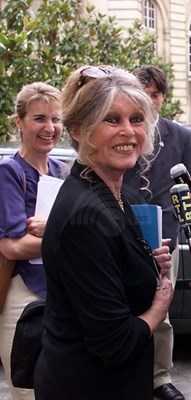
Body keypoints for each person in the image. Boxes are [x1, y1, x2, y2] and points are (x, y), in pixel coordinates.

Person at [34, 66, 174, 400]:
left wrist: (146, 262)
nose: (128, 131)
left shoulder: (117, 193)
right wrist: (160, 305)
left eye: (136, 119)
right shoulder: (86, 216)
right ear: (79, 130)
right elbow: (115, 342)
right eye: (111, 120)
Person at [124, 65, 191, 400]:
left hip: (166, 235)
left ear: (162, 98)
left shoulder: (180, 136)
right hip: (124, 231)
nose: (149, 100)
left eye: (154, 94)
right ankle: (127, 372)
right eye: (143, 94)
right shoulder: (124, 133)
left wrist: (182, 221)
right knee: (125, 304)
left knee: (162, 306)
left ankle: (160, 376)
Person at [0, 82, 67, 400]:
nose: (50, 128)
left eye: (55, 119)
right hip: (23, 295)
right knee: (27, 392)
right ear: (19, 122)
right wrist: (68, 233)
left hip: (61, 294)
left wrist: (51, 230)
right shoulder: (9, 173)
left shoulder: (62, 170)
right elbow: (15, 246)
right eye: (39, 118)